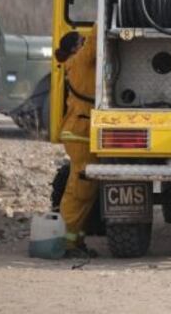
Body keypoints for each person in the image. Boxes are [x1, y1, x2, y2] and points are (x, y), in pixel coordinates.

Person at [56, 26, 98, 256]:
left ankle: (76, 239)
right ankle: (66, 243)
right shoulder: (79, 62)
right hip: (80, 131)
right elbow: (94, 44)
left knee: (86, 189)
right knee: (78, 189)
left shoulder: (74, 64)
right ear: (75, 48)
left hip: (81, 130)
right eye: (81, 41)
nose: (85, 43)